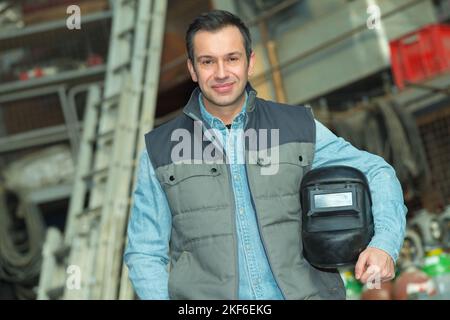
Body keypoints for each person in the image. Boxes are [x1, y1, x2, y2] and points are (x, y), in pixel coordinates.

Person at [124, 10, 407, 300]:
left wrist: (383, 243)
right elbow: (144, 252)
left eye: (232, 58)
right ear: (193, 69)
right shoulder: (161, 151)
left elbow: (376, 171)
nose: (221, 73)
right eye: (208, 61)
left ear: (250, 62)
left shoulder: (298, 127)